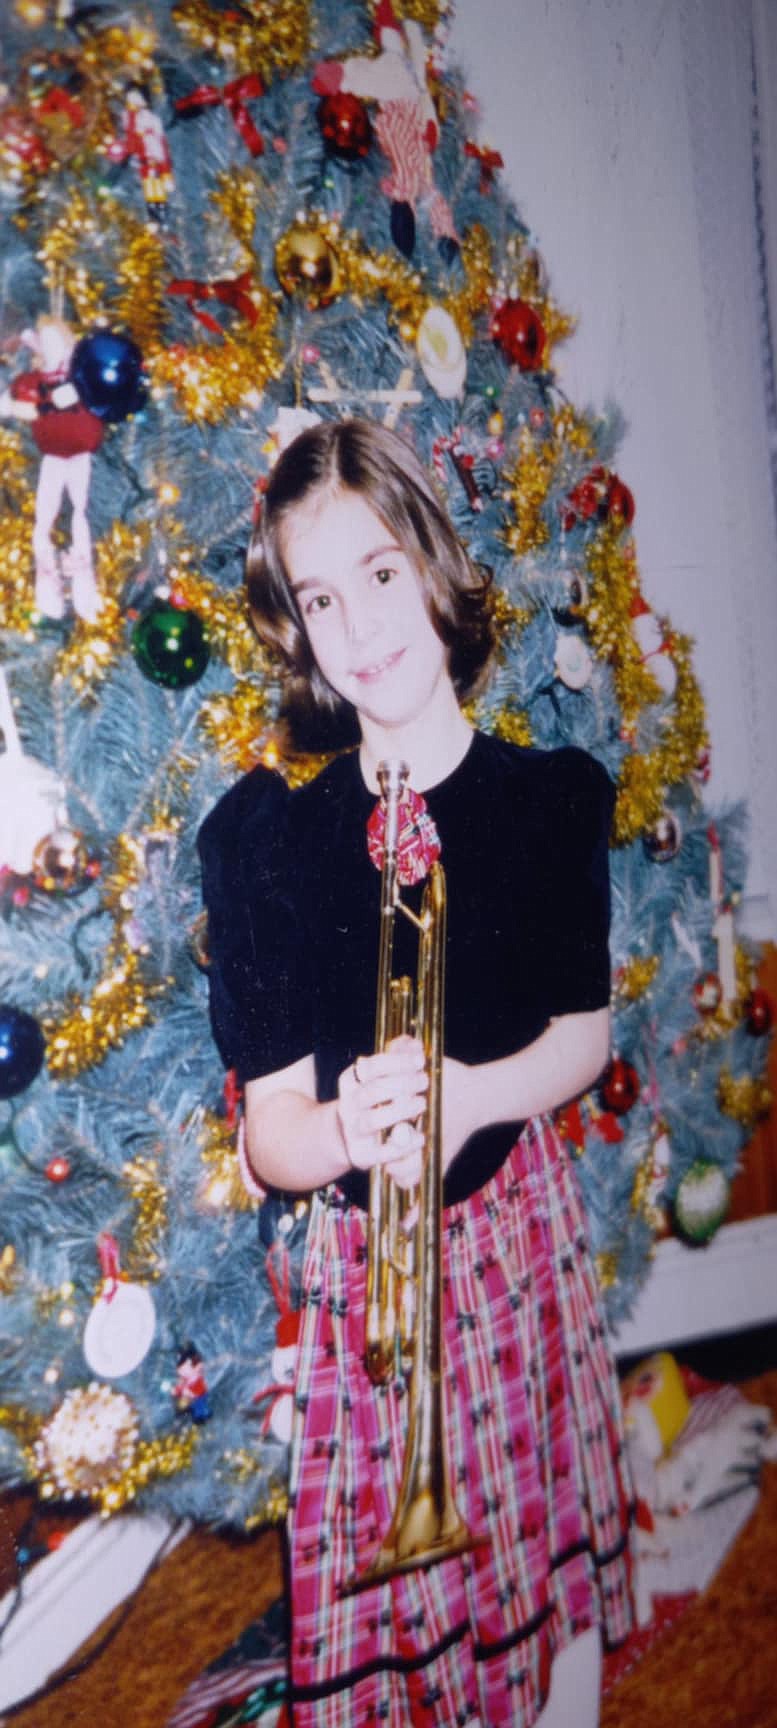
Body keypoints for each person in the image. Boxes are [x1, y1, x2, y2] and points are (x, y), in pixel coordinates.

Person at [198, 417, 634, 1728]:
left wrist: (464, 1096)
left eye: (378, 575)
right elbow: (267, 1134)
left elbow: (583, 1039)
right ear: (297, 627)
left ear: (435, 569)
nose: (360, 627)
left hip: (507, 1233)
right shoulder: (268, 843)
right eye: (319, 598)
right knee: (395, 1602)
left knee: (534, 1529)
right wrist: (335, 1130)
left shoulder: (544, 804)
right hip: (367, 1278)